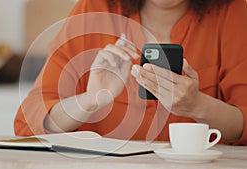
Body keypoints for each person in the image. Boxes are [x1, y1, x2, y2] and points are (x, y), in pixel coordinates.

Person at [14, 0, 247, 145]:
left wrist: (198, 106)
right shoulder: (95, 8)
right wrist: (89, 101)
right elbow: (29, 120)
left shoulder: (234, 12)